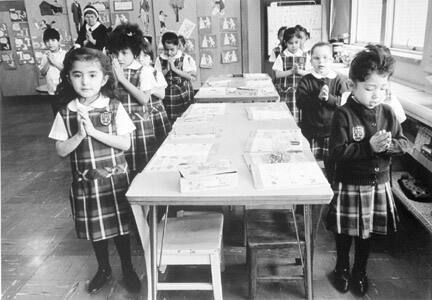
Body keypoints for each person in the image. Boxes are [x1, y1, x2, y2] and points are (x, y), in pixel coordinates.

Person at [48, 48, 141, 294]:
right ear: (69, 78)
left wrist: (95, 132)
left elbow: (125, 143)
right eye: (78, 75)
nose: (85, 81)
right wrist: (79, 134)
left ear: (104, 78)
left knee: (121, 228)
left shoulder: (113, 106)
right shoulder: (66, 111)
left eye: (92, 75)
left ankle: (128, 268)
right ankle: (103, 269)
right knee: (96, 231)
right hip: (86, 183)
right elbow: (60, 150)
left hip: (114, 181)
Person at [325, 44, 409, 296]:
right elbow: (338, 151)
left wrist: (389, 146)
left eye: (383, 88)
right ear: (352, 85)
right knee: (345, 232)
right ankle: (341, 268)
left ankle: (360, 271)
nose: (377, 95)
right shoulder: (343, 114)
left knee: (366, 234)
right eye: (370, 88)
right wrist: (369, 147)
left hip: (377, 184)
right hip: (350, 183)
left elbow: (403, 143)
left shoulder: (388, 111)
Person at [107, 23, 171, 176]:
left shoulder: (145, 70)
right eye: (116, 54)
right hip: (121, 124)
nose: (119, 58)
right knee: (124, 164)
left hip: (139, 124)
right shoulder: (113, 69)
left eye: (124, 53)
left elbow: (143, 99)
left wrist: (122, 79)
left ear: (135, 53)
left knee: (143, 164)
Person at [296, 42, 348, 164]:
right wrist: (318, 98)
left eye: (325, 58)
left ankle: (330, 182)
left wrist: (328, 98)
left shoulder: (339, 79)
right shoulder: (306, 80)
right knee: (309, 163)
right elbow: (300, 103)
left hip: (332, 132)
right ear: (310, 61)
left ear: (332, 60)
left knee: (331, 164)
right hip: (310, 131)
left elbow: (344, 104)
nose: (321, 62)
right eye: (316, 58)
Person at [155, 31, 196, 122]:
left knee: (185, 116)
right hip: (168, 93)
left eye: (172, 49)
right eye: (166, 49)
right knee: (170, 118)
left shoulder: (184, 57)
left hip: (183, 91)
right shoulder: (160, 59)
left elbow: (191, 77)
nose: (169, 53)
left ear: (177, 46)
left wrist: (174, 69)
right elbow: (157, 78)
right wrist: (167, 69)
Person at [272, 27, 309, 123]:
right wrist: (291, 71)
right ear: (285, 43)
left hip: (301, 92)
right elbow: (277, 74)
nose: (294, 46)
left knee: (301, 116)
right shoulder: (282, 56)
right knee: (286, 116)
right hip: (286, 92)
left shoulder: (304, 55)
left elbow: (310, 73)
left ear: (300, 41)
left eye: (296, 42)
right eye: (290, 43)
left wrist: (299, 71)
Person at [38, 27, 66, 115]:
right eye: (47, 41)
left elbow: (66, 71)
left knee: (66, 113)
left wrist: (54, 61)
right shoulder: (44, 56)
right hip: (52, 91)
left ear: (58, 41)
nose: (50, 43)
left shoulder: (65, 54)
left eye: (53, 40)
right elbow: (42, 73)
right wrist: (49, 62)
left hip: (65, 90)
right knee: (56, 114)